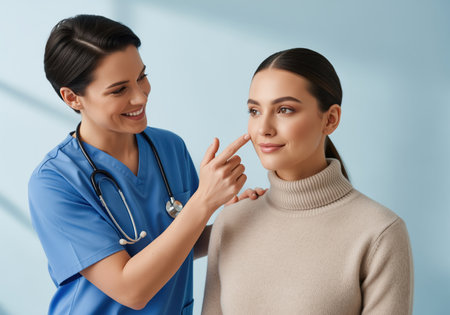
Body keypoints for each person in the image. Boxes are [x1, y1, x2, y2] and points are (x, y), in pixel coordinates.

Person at [28, 14, 265, 314]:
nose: (140, 96)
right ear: (73, 97)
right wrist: (204, 201)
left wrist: (232, 223)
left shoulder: (169, 148)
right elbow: (132, 289)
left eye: (141, 76)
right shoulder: (54, 183)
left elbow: (180, 244)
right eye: (119, 90)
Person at [202, 48, 414, 314]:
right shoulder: (232, 221)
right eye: (254, 111)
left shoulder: (380, 232)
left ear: (331, 119)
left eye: (285, 109)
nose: (264, 128)